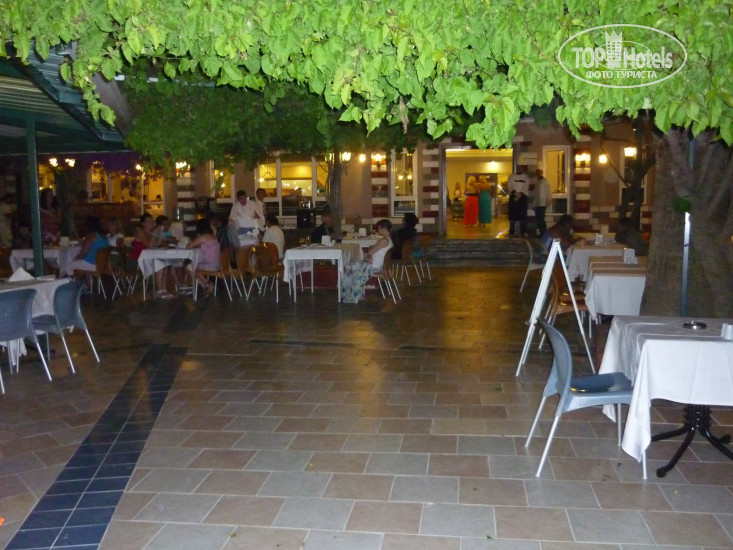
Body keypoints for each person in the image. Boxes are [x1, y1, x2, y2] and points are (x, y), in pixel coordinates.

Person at [340, 219, 393, 303]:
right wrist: (369, 255)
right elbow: (372, 251)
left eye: (378, 228)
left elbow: (370, 251)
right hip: (372, 264)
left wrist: (368, 255)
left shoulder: (384, 240)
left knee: (348, 268)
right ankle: (350, 294)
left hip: (372, 266)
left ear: (382, 228)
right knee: (348, 267)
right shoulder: (389, 240)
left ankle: (350, 295)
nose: (378, 230)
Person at [127, 213, 172, 298]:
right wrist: (155, 234)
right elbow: (149, 245)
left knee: (165, 264)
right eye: (149, 221)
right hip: (136, 260)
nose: (152, 223)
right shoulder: (140, 232)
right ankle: (159, 291)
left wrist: (160, 233)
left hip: (147, 258)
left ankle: (164, 290)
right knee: (160, 265)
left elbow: (157, 243)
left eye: (152, 221)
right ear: (143, 224)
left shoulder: (150, 233)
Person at [68, 216, 109, 288]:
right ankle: (88, 285)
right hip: (102, 264)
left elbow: (83, 253)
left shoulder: (90, 236)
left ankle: (74, 287)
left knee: (68, 266)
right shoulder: (105, 237)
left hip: (91, 264)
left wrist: (76, 258)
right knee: (81, 264)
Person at [186, 218, 221, 296]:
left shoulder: (202, 237)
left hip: (209, 265)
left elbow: (188, 246)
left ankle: (207, 286)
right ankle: (208, 286)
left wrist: (193, 240)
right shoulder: (213, 237)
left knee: (189, 267)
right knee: (194, 267)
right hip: (217, 264)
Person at [507, 166, 529, 236]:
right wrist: (515, 193)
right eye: (519, 168)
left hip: (523, 197)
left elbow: (526, 186)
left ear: (523, 169)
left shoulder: (525, 177)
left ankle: (523, 231)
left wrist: (520, 194)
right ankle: (512, 231)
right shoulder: (512, 176)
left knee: (523, 215)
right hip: (513, 197)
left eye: (521, 168)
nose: (520, 169)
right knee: (512, 215)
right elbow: (509, 186)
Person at [533, 169, 552, 237]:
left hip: (542, 203)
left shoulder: (545, 182)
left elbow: (548, 191)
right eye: (537, 173)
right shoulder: (536, 181)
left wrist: (548, 200)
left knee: (541, 219)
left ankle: (544, 233)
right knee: (538, 219)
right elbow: (535, 194)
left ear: (541, 173)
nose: (537, 174)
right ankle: (541, 233)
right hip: (537, 204)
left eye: (539, 173)